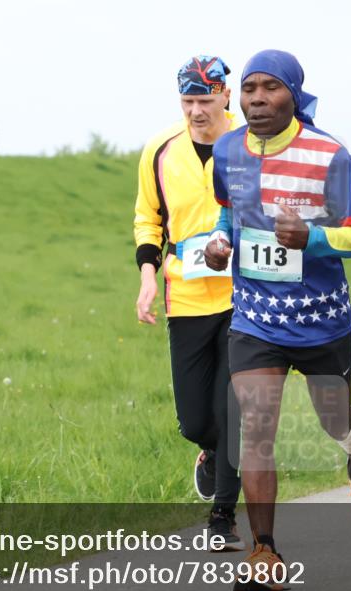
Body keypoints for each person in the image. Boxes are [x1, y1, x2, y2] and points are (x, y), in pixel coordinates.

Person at [204, 49, 351, 591]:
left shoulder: (328, 155)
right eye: (249, 89)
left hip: (321, 321)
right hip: (255, 317)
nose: (257, 99)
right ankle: (265, 552)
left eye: (271, 88)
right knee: (256, 427)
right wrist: (220, 243)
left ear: (294, 94)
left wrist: (311, 238)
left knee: (334, 421)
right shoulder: (227, 150)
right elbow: (227, 212)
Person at [133, 55, 243, 551]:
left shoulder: (250, 143)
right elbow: (147, 218)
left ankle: (222, 515)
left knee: (233, 408)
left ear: (226, 94)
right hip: (187, 296)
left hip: (245, 296)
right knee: (197, 421)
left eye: (205, 99)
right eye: (188, 101)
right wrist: (148, 276)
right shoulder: (159, 150)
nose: (197, 111)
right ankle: (207, 451)